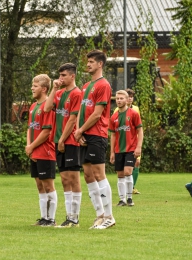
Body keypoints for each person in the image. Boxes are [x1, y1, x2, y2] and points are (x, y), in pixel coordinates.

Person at [74, 49, 115, 229]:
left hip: (97, 134)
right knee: (89, 175)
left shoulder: (103, 85)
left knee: (99, 174)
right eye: (88, 61)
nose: (88, 64)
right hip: (84, 134)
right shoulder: (85, 86)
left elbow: (98, 114)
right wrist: (79, 131)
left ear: (100, 64)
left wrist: (81, 129)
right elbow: (81, 112)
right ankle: (99, 215)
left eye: (92, 61)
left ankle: (109, 216)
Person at [44, 63, 82, 228]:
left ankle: (75, 218)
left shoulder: (77, 93)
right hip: (58, 140)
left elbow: (73, 119)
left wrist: (62, 140)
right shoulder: (59, 93)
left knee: (73, 178)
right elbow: (46, 108)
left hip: (70, 141)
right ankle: (68, 217)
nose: (60, 79)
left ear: (72, 76)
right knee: (65, 179)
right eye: (59, 76)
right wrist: (53, 89)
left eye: (64, 76)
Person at [25, 74, 57, 226]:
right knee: (39, 185)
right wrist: (28, 146)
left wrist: (32, 146)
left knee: (48, 185)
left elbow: (46, 132)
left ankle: (51, 219)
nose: (32, 87)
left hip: (45, 151)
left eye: (35, 85)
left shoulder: (47, 107)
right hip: (34, 151)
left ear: (44, 89)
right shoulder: (33, 107)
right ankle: (44, 217)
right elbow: (30, 128)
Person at [109, 90, 143, 206]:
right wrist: (112, 152)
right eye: (117, 99)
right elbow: (113, 135)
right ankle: (122, 199)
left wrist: (139, 147)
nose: (119, 100)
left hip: (131, 148)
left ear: (127, 100)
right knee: (120, 175)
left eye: (121, 98)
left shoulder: (133, 114)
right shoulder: (113, 117)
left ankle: (129, 198)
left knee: (128, 171)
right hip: (119, 149)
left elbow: (140, 130)